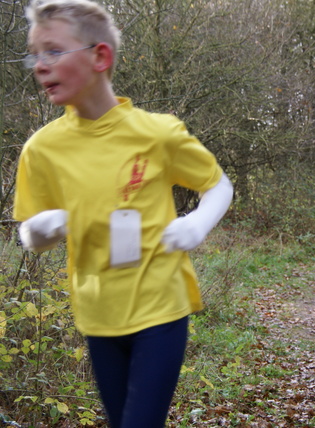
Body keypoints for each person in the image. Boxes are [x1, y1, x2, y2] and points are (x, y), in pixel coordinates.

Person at [13, 0, 233, 426]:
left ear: (100, 56)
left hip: (160, 305)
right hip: (97, 312)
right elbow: (30, 233)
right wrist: (40, 231)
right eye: (34, 54)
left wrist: (197, 224)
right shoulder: (41, 149)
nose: (40, 65)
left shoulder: (157, 132)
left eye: (54, 51)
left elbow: (217, 185)